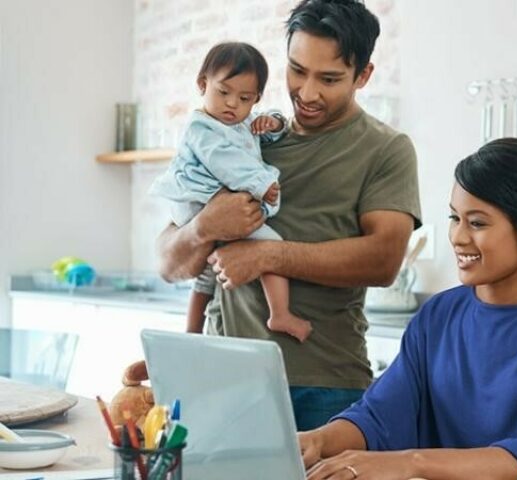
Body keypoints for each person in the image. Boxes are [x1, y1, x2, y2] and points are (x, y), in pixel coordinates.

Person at [156, 0, 421, 431]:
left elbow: (384, 260)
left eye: (330, 78)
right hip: (225, 376)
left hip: (326, 385)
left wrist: (267, 257)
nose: (308, 92)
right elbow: (169, 263)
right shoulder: (243, 136)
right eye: (297, 70)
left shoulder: (385, 149)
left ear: (364, 75)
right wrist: (206, 225)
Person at [298, 138, 517, 480]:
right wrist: (317, 440)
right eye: (455, 218)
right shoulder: (439, 314)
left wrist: (411, 463)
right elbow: (379, 415)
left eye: (478, 223)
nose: (458, 237)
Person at [150, 42, 313, 342]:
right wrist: (261, 184)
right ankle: (281, 314)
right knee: (272, 244)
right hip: (196, 202)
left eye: (244, 98)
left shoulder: (241, 121)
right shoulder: (203, 126)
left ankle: (191, 333)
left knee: (208, 269)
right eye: (223, 93)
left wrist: (272, 122)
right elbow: (226, 163)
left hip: (202, 201)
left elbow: (267, 130)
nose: (232, 104)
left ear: (256, 99)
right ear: (203, 84)